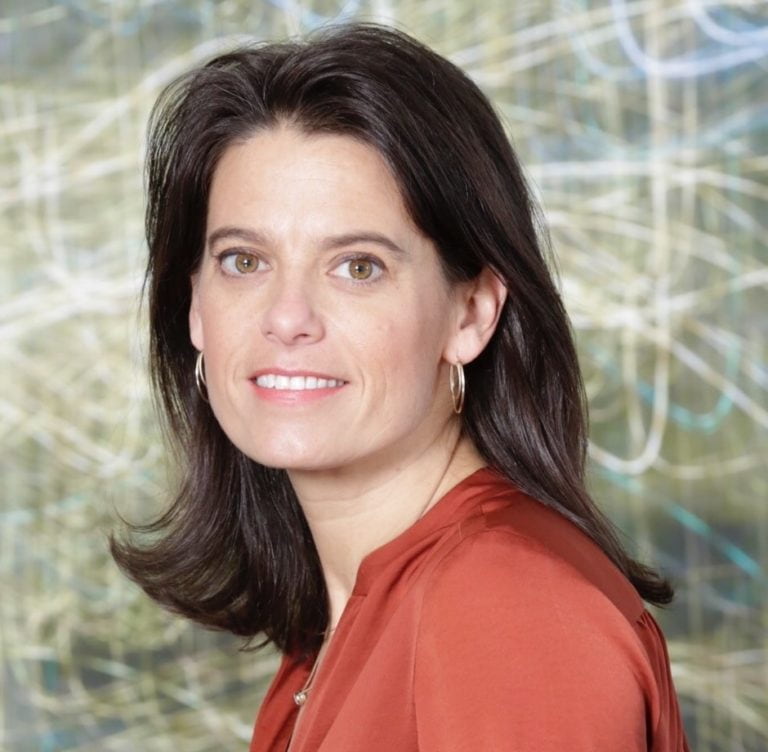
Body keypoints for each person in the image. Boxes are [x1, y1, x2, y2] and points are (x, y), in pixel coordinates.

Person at [111, 22, 691, 752]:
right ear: (193, 305)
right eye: (243, 261)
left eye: (358, 266)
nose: (287, 318)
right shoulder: (342, 623)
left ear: (471, 313)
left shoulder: (509, 613)